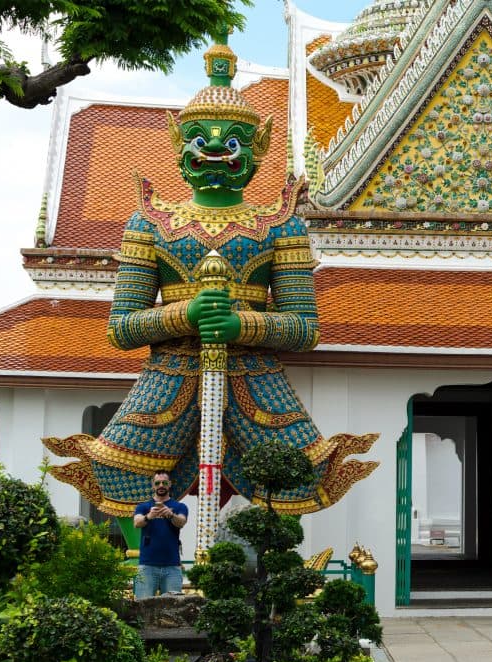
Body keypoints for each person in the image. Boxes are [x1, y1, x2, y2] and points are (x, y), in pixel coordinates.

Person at [45, 36, 378, 520]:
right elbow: (121, 328)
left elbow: (305, 329)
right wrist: (189, 313)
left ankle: (269, 569)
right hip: (169, 379)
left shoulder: (279, 224)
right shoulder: (150, 223)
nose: (218, 150)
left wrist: (241, 325)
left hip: (256, 381)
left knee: (291, 483)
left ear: (258, 150)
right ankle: (153, 564)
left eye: (234, 142)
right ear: (180, 147)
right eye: (202, 140)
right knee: (128, 480)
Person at [132, 469, 189, 599]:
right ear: (153, 485)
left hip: (172, 566)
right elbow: (137, 522)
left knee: (173, 609)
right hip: (147, 565)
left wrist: (170, 514)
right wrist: (149, 516)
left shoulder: (179, 506)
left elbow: (181, 522)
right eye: (158, 483)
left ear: (169, 484)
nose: (161, 486)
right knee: (142, 606)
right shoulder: (143, 506)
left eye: (164, 482)